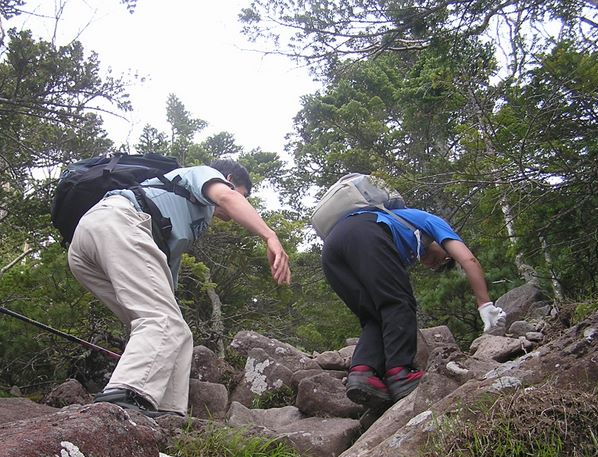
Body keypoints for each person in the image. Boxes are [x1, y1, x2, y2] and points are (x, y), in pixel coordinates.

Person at [67, 158, 291, 417]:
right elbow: (227, 197)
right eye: (242, 194)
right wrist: (270, 236)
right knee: (162, 320)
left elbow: (164, 272)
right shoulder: (202, 174)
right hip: (118, 221)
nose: (236, 204)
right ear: (228, 179)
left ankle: (168, 411)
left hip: (91, 240)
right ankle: (124, 395)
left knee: (176, 329)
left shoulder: (189, 216)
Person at [321, 202, 505, 419]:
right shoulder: (432, 222)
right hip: (364, 233)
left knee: (374, 317)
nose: (439, 262)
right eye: (445, 257)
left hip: (332, 249)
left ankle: (363, 374)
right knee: (398, 302)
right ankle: (400, 373)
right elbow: (469, 260)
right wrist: (485, 304)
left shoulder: (401, 238)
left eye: (439, 266)